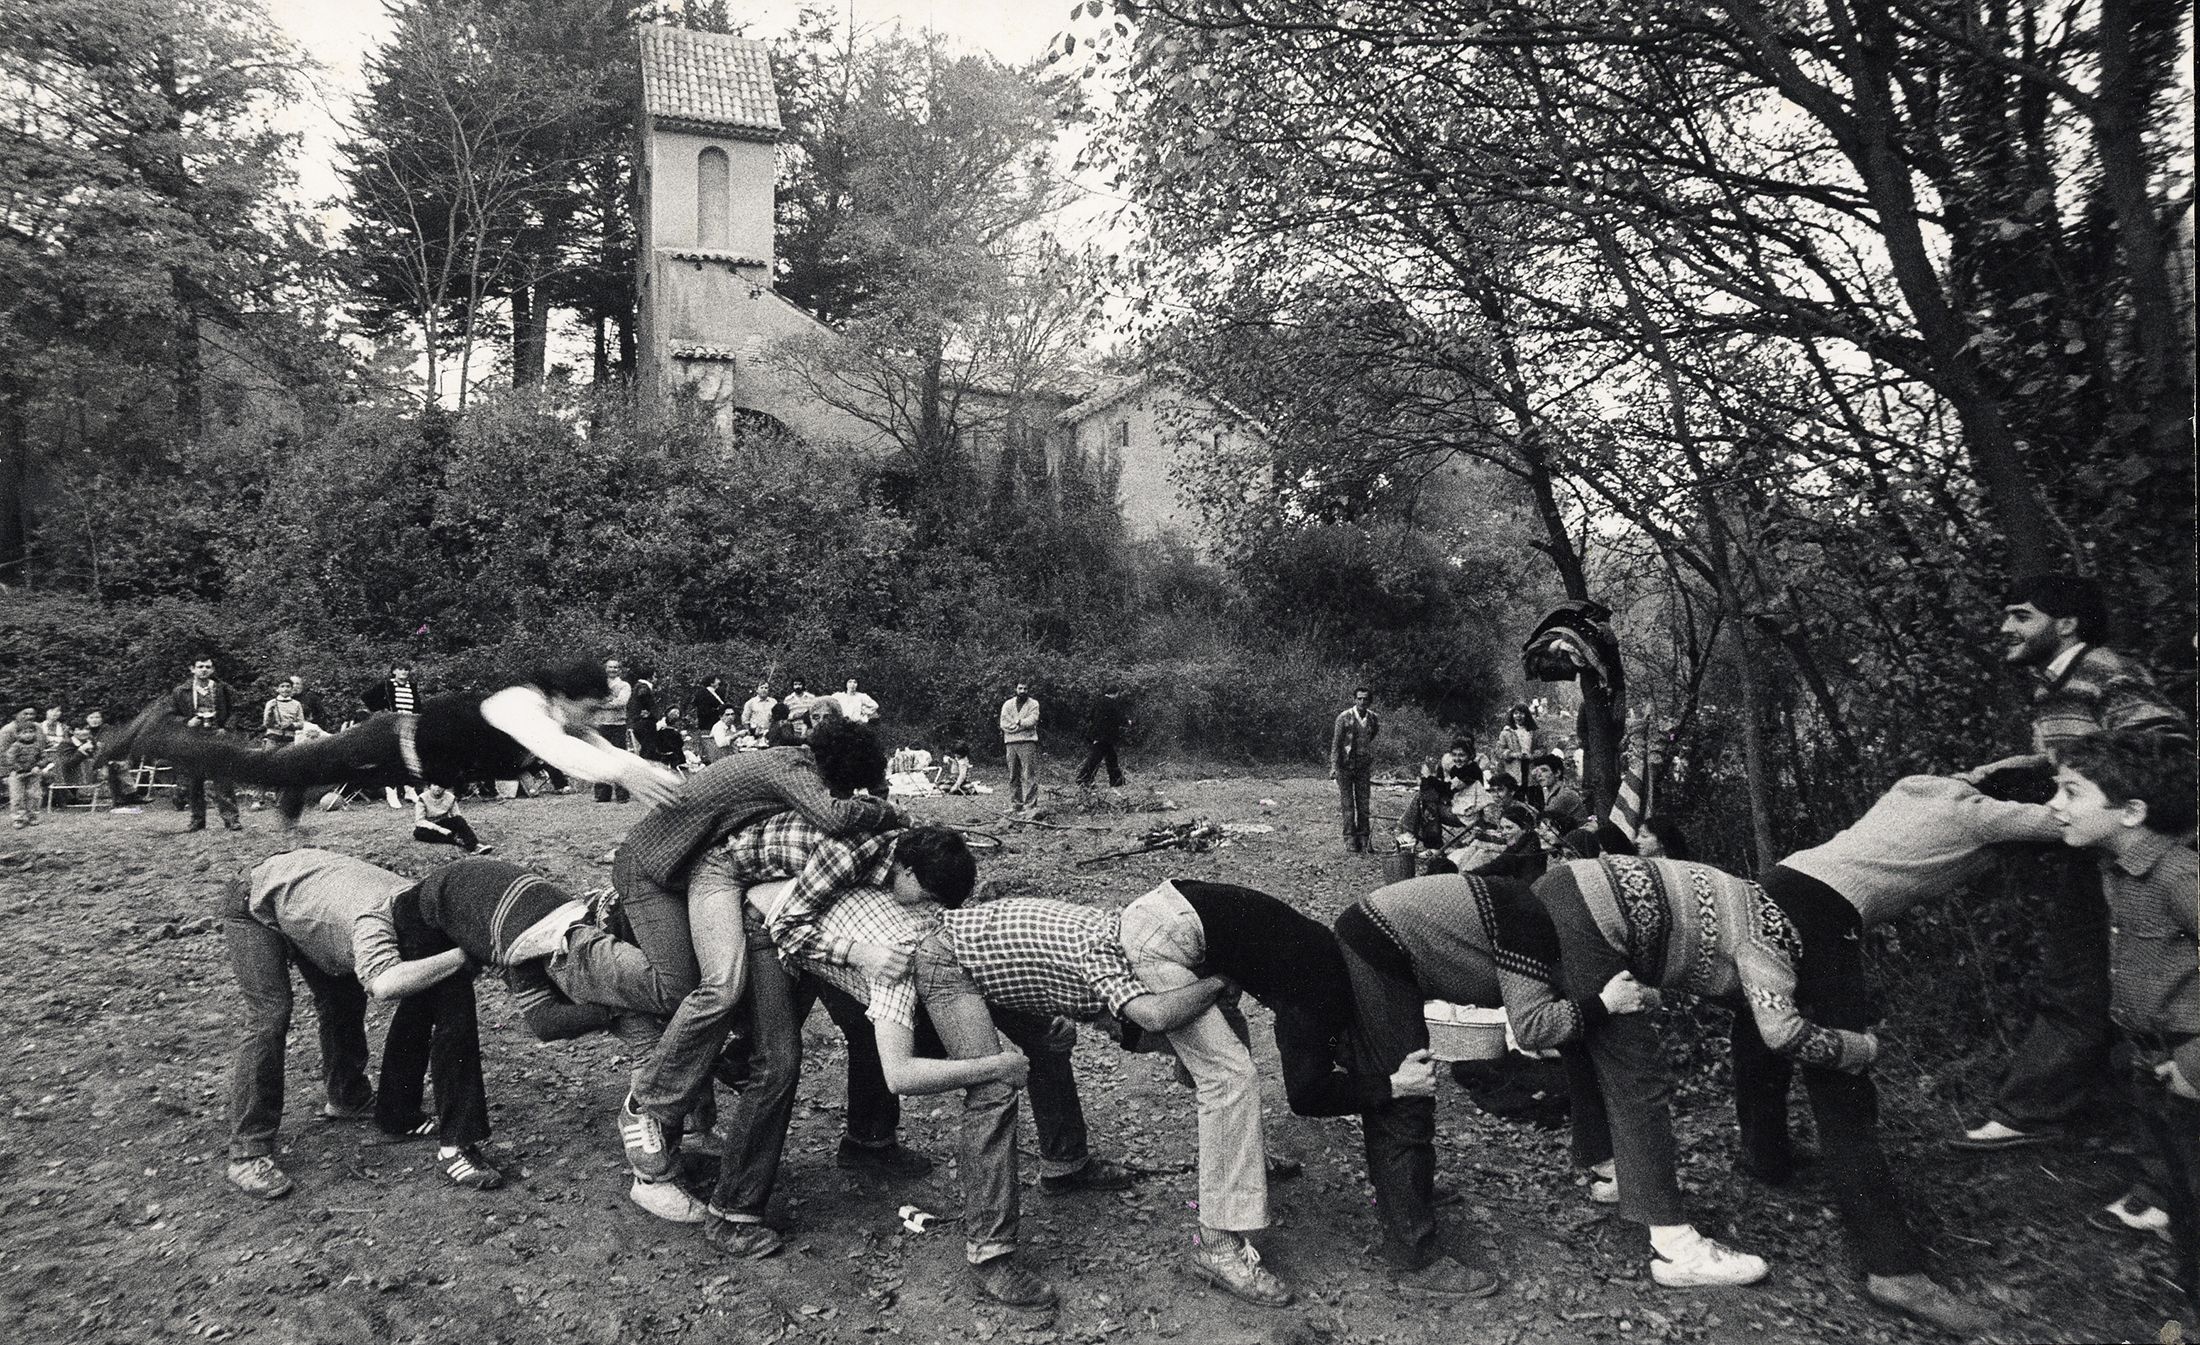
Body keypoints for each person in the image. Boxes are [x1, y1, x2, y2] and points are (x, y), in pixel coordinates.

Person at [1731, 768, 2066, 1331]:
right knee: (1843, 1081)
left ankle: (1766, 1157)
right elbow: (2064, 820)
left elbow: (1982, 773)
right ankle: (1893, 1268)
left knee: (1758, 1032)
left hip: (1775, 883)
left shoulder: (1922, 785)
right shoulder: (1982, 815)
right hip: (1825, 911)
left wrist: (2032, 764)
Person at [607, 721, 911, 1193]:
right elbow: (832, 817)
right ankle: (644, 1101)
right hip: (652, 871)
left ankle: (722, 1076)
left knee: (717, 989)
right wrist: (885, 810)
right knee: (701, 989)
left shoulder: (792, 766)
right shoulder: (791, 765)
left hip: (694, 870)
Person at [1953, 574, 2191, 1152]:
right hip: (2102, 850)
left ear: (2066, 624)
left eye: (2020, 615)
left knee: (2099, 981)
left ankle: (2044, 1115)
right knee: (2083, 978)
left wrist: (2140, 843)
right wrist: (2009, 771)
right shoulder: (2053, 686)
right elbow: (2077, 761)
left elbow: (2167, 748)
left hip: (2143, 854)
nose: (2006, 627)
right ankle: (2045, 1113)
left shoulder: (2107, 671)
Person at [1335, 872, 1649, 1291]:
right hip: (1377, 949)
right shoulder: (1532, 926)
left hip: (1385, 937)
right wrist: (1604, 1003)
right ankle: (1414, 1257)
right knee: (1408, 1087)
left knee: (1412, 1085)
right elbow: (1532, 1027)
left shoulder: (1545, 909)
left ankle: (1405, 1196)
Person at [352, 854, 693, 1216]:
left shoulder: (546, 931)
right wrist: (611, 1009)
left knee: (419, 1012)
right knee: (454, 1023)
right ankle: (456, 1144)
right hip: (432, 912)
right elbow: (544, 1022)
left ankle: (396, 1113)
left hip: (466, 897)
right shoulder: (528, 948)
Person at [104, 659, 683, 828]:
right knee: (263, 769)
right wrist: (633, 778)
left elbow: (611, 754)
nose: (597, 716)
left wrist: (664, 780)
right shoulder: (522, 706)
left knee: (294, 774)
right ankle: (155, 733)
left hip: (398, 766)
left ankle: (303, 782)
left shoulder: (562, 714)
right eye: (593, 704)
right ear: (570, 695)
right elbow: (571, 758)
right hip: (387, 745)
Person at [220, 849, 495, 1200]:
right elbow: (383, 985)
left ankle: (347, 1098)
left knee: (342, 999)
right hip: (255, 901)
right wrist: (462, 957)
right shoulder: (373, 922)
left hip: (308, 898)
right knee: (269, 1015)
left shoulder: (417, 902)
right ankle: (248, 1150)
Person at [2047, 732, 2197, 1315]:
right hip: (2150, 1056)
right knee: (2182, 1195)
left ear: (2132, 812)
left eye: (2070, 791)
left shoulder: (2179, 876)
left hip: (2188, 1057)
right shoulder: (2115, 866)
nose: (2054, 805)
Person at [167, 656, 243, 832]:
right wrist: (186, 721)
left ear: (212, 670)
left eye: (207, 667)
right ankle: (197, 820)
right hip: (193, 738)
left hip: (217, 736)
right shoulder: (181, 691)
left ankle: (231, 819)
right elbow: (171, 715)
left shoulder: (222, 689)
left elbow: (236, 711)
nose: (204, 670)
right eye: (200, 666)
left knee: (223, 779)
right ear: (192, 669)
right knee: (194, 781)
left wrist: (227, 728)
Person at [1330, 686, 1381, 853]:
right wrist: (1334, 766)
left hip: (1363, 767)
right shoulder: (1344, 718)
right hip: (1345, 766)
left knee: (1364, 804)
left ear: (1369, 701)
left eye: (1365, 699)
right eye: (1359, 698)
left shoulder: (1373, 718)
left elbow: (1372, 735)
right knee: (1348, 805)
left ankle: (1364, 838)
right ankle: (1350, 839)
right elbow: (1336, 744)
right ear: (1354, 699)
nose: (1362, 702)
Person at [362, 664, 420, 809]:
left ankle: (409, 789)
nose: (404, 672)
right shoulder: (387, 685)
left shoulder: (411, 686)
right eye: (400, 669)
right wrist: (382, 711)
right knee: (391, 758)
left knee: (408, 757)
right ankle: (391, 792)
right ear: (394, 671)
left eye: (406, 670)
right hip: (391, 725)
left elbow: (417, 705)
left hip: (409, 724)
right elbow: (367, 697)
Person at [999, 680, 1041, 814]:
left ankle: (1030, 806)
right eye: (1020, 688)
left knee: (1028, 774)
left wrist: (1018, 722)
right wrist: (1019, 727)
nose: (1022, 691)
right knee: (1013, 775)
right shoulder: (1007, 704)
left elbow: (1032, 721)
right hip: (1010, 742)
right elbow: (1004, 723)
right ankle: (1016, 804)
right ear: (1016, 689)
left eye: (1025, 689)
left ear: (1028, 690)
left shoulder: (1033, 704)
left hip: (1028, 742)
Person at [1077, 687, 1130, 788]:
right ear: (1115, 693)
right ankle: (1084, 779)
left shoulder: (1098, 701)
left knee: (1110, 757)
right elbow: (1117, 717)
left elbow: (1090, 716)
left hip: (1097, 735)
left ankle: (1117, 781)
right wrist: (1127, 722)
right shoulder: (1112, 703)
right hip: (1106, 736)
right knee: (1096, 758)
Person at [412, 783, 486, 853]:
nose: (438, 788)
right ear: (429, 786)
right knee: (418, 833)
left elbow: (456, 815)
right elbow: (420, 821)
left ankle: (475, 846)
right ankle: (455, 839)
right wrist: (440, 829)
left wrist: (464, 825)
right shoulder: (422, 798)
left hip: (444, 821)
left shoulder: (450, 797)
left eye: (441, 785)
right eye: (434, 785)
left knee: (459, 821)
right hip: (430, 825)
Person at [6, 708, 48, 826]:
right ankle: (18, 818)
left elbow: (44, 757)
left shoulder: (38, 745)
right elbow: (10, 759)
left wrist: (38, 766)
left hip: (33, 774)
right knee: (17, 797)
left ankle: (33, 816)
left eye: (31, 732)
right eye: (25, 732)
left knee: (34, 795)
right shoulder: (16, 746)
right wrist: (19, 768)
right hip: (18, 774)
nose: (28, 735)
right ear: (18, 734)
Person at [1526, 754, 1584, 820]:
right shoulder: (1551, 793)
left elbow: (1545, 817)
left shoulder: (1566, 794)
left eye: (1544, 770)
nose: (1539, 775)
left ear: (1557, 773)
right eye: (1537, 771)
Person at [1497, 703, 1541, 786]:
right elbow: (1499, 751)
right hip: (1514, 768)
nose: (1518, 716)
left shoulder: (1534, 732)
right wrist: (1513, 755)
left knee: (1532, 791)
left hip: (1531, 767)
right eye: (1515, 713)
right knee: (1517, 790)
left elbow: (1542, 748)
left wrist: (1534, 755)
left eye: (1521, 713)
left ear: (1526, 715)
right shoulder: (1506, 732)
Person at [262, 680, 307, 748]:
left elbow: (301, 724)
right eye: (282, 686)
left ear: (292, 689)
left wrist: (291, 725)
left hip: (289, 740)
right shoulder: (271, 703)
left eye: (288, 686)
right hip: (273, 739)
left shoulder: (297, 704)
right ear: (277, 689)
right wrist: (270, 713)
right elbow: (266, 724)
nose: (285, 689)